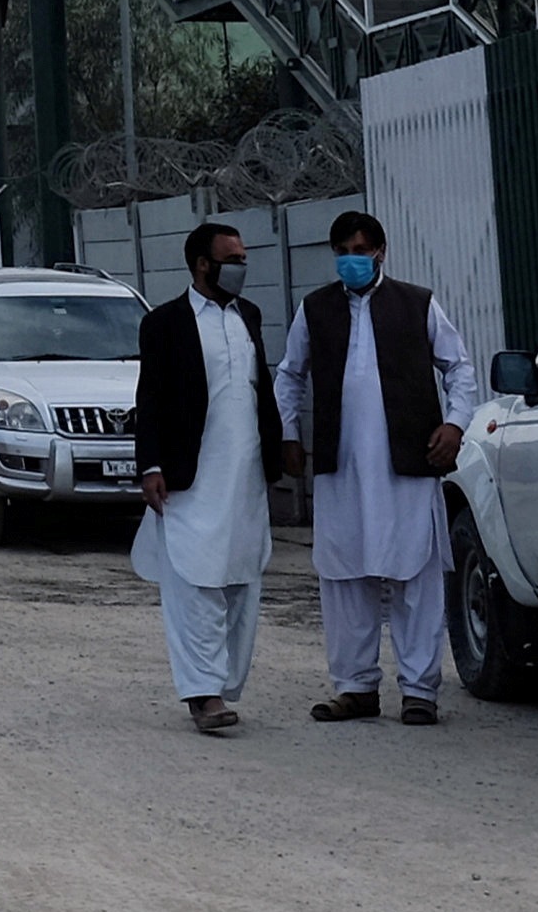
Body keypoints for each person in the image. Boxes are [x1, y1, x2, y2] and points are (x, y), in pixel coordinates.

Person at [277, 207, 480, 725]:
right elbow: (289, 375)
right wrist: (288, 434)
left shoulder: (417, 304)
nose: (351, 261)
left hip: (407, 463)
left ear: (380, 252)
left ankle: (419, 690)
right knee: (344, 576)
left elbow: (459, 368)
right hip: (342, 469)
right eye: (342, 253)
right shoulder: (316, 309)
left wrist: (455, 425)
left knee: (415, 573)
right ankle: (355, 688)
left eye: (360, 251)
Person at [134, 221, 279, 733]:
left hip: (246, 478)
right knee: (193, 582)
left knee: (240, 581)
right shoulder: (166, 324)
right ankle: (203, 693)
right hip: (189, 478)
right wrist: (149, 465)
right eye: (232, 258)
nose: (241, 266)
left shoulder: (250, 317)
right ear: (202, 264)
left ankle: (224, 683)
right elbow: (148, 399)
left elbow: (261, 392)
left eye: (242, 257)